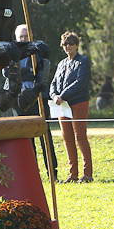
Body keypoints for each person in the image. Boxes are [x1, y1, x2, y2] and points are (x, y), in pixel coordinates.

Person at [12, 24, 58, 179]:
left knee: (46, 138)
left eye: (26, 36)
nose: (24, 39)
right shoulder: (11, 53)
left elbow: (42, 73)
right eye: (21, 37)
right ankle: (31, 175)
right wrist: (28, 72)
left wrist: (27, 73)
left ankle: (53, 174)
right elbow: (8, 73)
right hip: (20, 101)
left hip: (39, 99)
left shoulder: (39, 51)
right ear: (16, 39)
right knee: (26, 141)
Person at [49, 31, 93, 183]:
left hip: (78, 102)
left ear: (76, 45)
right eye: (65, 44)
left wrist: (63, 95)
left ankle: (87, 174)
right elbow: (53, 83)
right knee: (67, 138)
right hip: (62, 105)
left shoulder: (83, 61)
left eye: (71, 43)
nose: (68, 46)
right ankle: (72, 174)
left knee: (80, 137)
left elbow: (80, 83)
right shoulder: (61, 63)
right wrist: (54, 95)